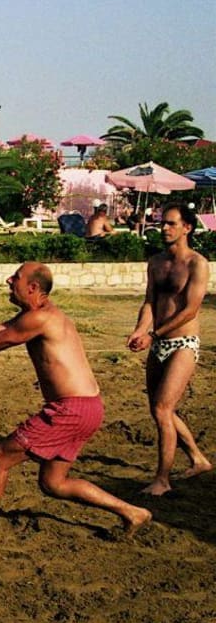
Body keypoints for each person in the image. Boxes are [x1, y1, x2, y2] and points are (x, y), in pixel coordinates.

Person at [0, 262, 151, 542]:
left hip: (70, 409)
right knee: (54, 483)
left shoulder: (41, 319)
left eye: (16, 277)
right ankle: (132, 512)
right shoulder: (36, 315)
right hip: (88, 407)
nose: (9, 280)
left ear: (33, 287)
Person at [126, 204, 211, 495]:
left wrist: (153, 334)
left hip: (183, 343)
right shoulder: (156, 262)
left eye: (171, 223)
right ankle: (198, 459)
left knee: (163, 408)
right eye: (163, 223)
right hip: (158, 341)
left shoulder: (197, 264)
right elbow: (150, 301)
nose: (164, 228)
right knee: (159, 409)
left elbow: (190, 310)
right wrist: (140, 330)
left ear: (187, 228)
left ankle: (162, 479)